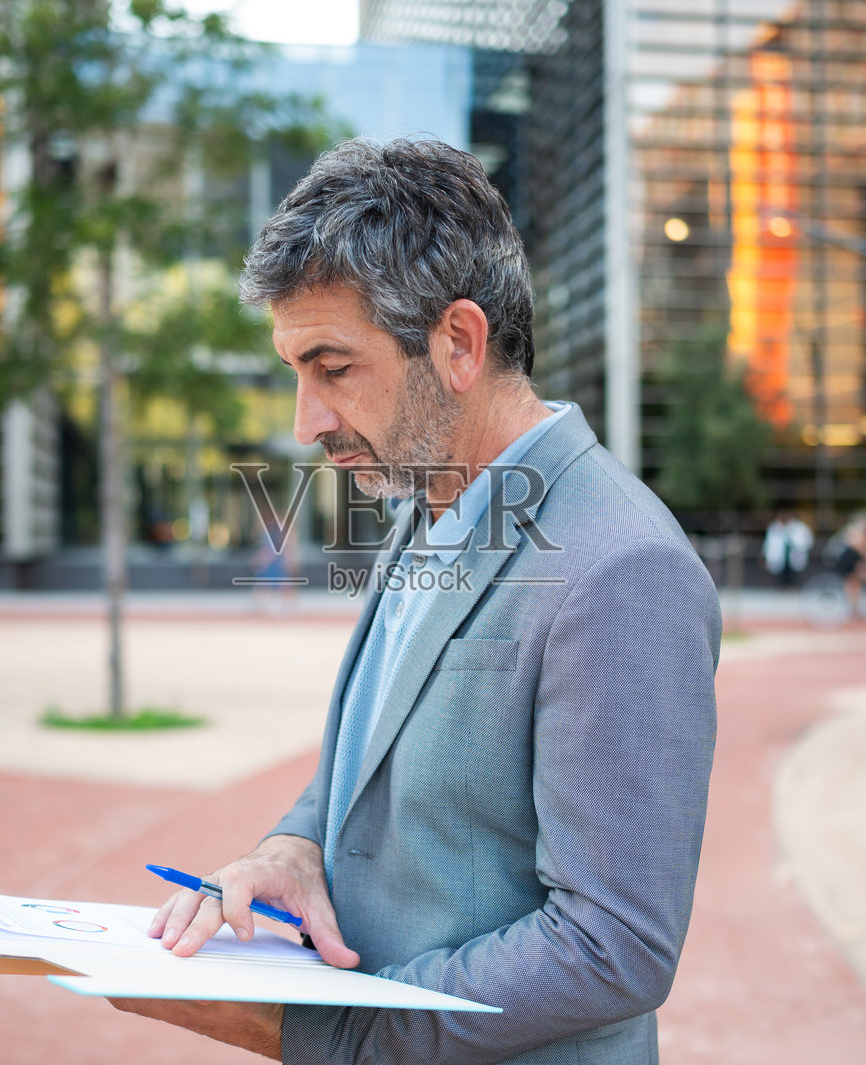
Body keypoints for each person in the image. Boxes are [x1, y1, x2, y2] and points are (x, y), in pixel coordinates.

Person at [115, 139, 720, 1064]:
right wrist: (293, 849)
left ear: (460, 344)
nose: (306, 422)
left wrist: (331, 1034)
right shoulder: (423, 498)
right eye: (296, 372)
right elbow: (374, 759)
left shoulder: (623, 568)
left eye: (333, 367)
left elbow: (614, 947)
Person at [828, 511, 866, 618]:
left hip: (847, 556)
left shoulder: (858, 531)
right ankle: (854, 608)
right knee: (853, 580)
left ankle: (855, 607)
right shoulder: (856, 530)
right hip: (841, 557)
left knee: (858, 579)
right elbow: (863, 548)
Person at [762, 509, 813, 589]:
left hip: (794, 557)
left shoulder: (799, 527)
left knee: (794, 578)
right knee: (779, 579)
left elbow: (807, 541)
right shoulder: (774, 527)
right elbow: (768, 543)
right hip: (779, 559)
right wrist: (764, 555)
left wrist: (799, 546)